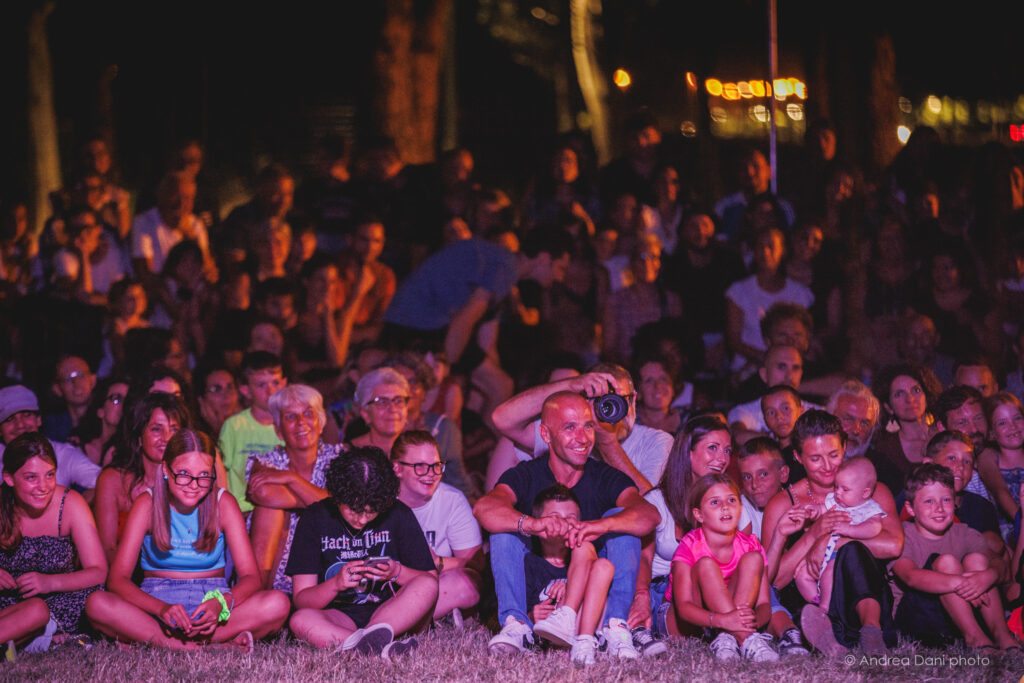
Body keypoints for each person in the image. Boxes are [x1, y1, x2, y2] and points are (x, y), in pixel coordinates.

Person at [475, 391, 658, 659]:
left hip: (590, 590)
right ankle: (517, 626)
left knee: (625, 521)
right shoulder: (527, 473)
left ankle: (615, 628)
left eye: (588, 426)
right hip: (539, 586)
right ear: (546, 435)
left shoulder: (605, 476)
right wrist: (533, 524)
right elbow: (484, 508)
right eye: (570, 428)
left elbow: (649, 514)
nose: (583, 438)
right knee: (504, 530)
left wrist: (600, 525)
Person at [85, 430, 289, 650]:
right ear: (165, 469)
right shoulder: (146, 503)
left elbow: (251, 578)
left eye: (203, 475)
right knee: (97, 604)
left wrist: (221, 603)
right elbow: (117, 579)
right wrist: (161, 609)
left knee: (278, 604)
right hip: (158, 602)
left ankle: (167, 644)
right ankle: (198, 647)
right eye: (183, 473)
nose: (193, 484)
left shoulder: (223, 503)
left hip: (212, 601)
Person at [760, 410, 903, 656]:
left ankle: (871, 632)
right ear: (797, 457)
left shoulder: (870, 490)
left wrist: (833, 542)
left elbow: (893, 545)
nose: (827, 467)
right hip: (810, 605)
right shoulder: (783, 504)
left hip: (864, 597)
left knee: (853, 552)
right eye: (815, 458)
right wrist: (813, 534)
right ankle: (826, 634)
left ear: (845, 447)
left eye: (834, 455)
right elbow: (773, 581)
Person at [287, 446, 438, 658]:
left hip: (392, 612)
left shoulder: (399, 514)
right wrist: (336, 584)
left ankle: (363, 644)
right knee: (300, 620)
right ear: (338, 497)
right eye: (354, 511)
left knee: (427, 585)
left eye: (371, 512)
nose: (362, 520)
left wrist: (396, 572)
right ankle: (377, 648)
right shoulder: (315, 518)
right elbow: (301, 599)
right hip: (339, 617)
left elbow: (430, 583)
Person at [628, 415, 763, 654]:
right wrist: (641, 597)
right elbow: (644, 559)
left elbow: (747, 563)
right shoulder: (657, 501)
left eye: (727, 450)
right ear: (687, 453)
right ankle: (743, 636)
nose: (722, 459)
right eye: (712, 448)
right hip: (668, 595)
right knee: (704, 568)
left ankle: (734, 635)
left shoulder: (732, 506)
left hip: (724, 590)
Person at [491, 365, 673, 496]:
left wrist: (608, 442)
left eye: (616, 399)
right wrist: (570, 385)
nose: (608, 409)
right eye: (599, 400)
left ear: (632, 400)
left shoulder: (657, 441)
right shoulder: (570, 437)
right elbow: (502, 419)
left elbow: (650, 509)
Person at [890, 463, 1018, 650]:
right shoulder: (903, 535)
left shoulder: (964, 532)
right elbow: (910, 577)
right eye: (928, 501)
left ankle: (1001, 635)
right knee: (947, 562)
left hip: (956, 618)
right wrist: (963, 584)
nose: (939, 508)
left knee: (977, 560)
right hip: (915, 621)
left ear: (955, 503)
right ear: (910, 509)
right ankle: (975, 638)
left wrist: (988, 576)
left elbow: (998, 563)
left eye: (946, 500)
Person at [0, 433, 106, 651]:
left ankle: (32, 641)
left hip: (58, 604)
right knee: (34, 611)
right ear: (9, 478)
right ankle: (31, 641)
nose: (43, 486)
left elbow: (98, 571)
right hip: (8, 608)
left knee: (39, 610)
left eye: (49, 475)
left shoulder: (70, 503)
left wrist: (49, 582)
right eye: (31, 477)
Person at [668, 474, 777, 662]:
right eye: (715, 502)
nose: (725, 506)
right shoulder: (690, 544)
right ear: (699, 515)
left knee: (753, 558)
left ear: (741, 508)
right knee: (706, 564)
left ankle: (730, 637)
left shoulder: (750, 545)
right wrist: (722, 621)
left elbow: (764, 605)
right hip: (689, 622)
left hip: (728, 616)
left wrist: (750, 621)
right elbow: (684, 607)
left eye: (732, 500)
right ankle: (746, 637)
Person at [246, 384, 344, 593]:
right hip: (278, 558)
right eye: (290, 417)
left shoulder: (340, 458)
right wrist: (327, 501)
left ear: (321, 423)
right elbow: (262, 492)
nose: (301, 423)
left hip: (329, 554)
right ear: (278, 430)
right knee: (268, 509)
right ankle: (259, 596)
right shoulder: (265, 461)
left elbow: (344, 509)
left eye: (308, 414)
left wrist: (290, 478)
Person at [391, 430, 483, 623]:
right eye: (420, 467)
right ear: (397, 469)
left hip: (435, 585)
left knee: (465, 584)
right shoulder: (380, 502)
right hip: (389, 588)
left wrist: (437, 562)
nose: (431, 474)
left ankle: (395, 623)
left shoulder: (452, 500)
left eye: (436, 466)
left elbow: (477, 566)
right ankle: (421, 620)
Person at [93, 392, 190, 564]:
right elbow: (106, 550)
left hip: (179, 573)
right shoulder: (112, 480)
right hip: (124, 576)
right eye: (156, 429)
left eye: (174, 429)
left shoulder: (191, 482)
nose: (166, 438)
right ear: (139, 437)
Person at [525, 484, 616, 666]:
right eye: (554, 517)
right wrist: (531, 615)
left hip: (588, 626)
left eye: (570, 518)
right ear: (538, 525)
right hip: (548, 635)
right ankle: (570, 632)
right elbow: (503, 613)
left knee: (600, 563)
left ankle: (584, 639)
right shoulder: (529, 563)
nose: (563, 524)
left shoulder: (587, 556)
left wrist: (571, 589)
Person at [735, 437, 809, 656]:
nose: (754, 485)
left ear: (784, 474)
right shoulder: (738, 509)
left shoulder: (796, 503)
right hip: (752, 595)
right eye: (747, 477)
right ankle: (788, 632)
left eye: (763, 474)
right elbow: (762, 577)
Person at [793, 457, 886, 611]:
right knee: (801, 574)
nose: (838, 493)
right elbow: (823, 509)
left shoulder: (868, 508)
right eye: (836, 487)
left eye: (845, 489)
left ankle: (825, 608)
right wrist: (813, 511)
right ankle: (815, 601)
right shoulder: (835, 502)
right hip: (823, 555)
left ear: (865, 493)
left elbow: (874, 527)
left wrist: (850, 530)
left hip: (842, 557)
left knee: (829, 572)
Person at [725, 228, 814, 385]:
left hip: (791, 366)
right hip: (750, 366)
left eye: (771, 246)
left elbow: (803, 334)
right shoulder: (739, 290)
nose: (765, 252)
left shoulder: (799, 293)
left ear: (783, 251)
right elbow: (734, 340)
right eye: (760, 246)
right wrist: (767, 358)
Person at [0, 385, 100, 498]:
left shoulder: (62, 454)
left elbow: (105, 482)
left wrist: (72, 507)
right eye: (9, 419)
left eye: (26, 415)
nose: (20, 425)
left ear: (38, 419)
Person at [217, 351, 286, 515]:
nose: (270, 391)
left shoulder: (291, 424)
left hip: (281, 511)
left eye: (275, 383)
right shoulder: (234, 426)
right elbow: (221, 474)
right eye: (261, 385)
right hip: (241, 511)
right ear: (245, 390)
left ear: (284, 384)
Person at [870, 364, 941, 480]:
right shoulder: (885, 447)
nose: (910, 399)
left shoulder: (943, 435)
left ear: (926, 396)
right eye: (899, 394)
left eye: (916, 390)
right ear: (888, 407)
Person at [976, 392, 1024, 540]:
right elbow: (1000, 492)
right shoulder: (988, 457)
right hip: (1007, 532)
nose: (1013, 426)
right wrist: (1020, 521)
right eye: (1002, 423)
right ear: (991, 433)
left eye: (1017, 418)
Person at [934, 385, 994, 501]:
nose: (974, 429)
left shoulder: (997, 455)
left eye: (978, 418)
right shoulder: (950, 475)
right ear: (942, 427)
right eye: (962, 422)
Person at [43, 355, 97, 443]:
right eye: (68, 379)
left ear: (93, 380)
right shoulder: (52, 427)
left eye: (81, 375)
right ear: (57, 389)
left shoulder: (105, 420)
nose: (76, 383)